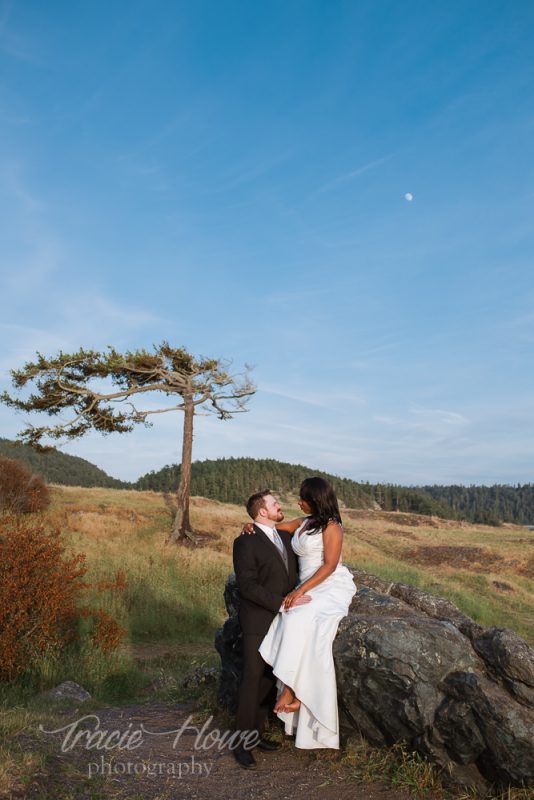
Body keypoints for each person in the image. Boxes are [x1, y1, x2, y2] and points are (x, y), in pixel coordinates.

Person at [259, 476, 356, 749]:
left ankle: (292, 689)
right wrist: (253, 527)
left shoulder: (333, 527)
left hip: (329, 584)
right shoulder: (303, 523)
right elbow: (275, 528)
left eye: (303, 499)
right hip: (308, 584)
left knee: (301, 616)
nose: (298, 503)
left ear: (316, 501)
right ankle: (297, 689)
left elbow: (329, 566)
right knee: (286, 619)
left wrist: (299, 592)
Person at [232, 490, 312, 770]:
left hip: (284, 621)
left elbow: (311, 519)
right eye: (274, 503)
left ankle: (256, 735)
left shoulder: (287, 538)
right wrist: (280, 603)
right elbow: (247, 586)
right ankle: (241, 743)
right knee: (252, 679)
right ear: (261, 511)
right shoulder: (245, 542)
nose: (280, 505)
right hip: (258, 620)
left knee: (268, 678)